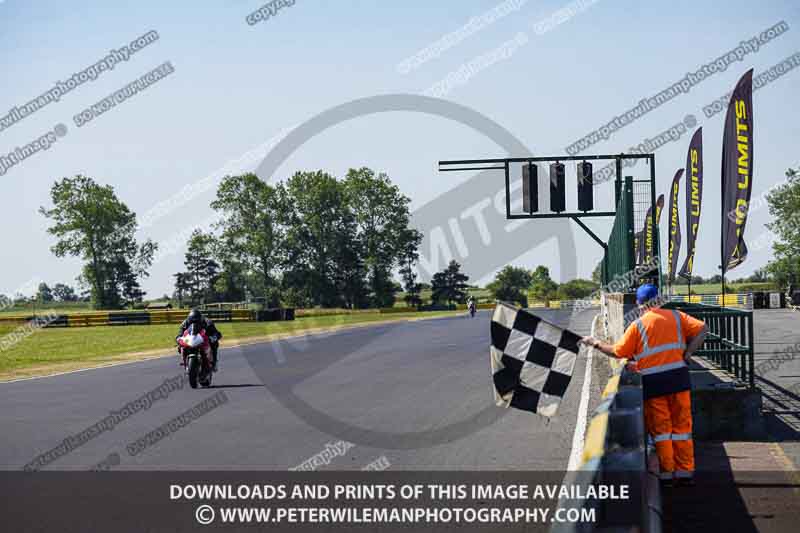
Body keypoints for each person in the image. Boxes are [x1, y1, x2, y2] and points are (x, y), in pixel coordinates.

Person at [579, 283, 708, 487]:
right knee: (682, 427)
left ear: (640, 305)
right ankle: (685, 473)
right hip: (679, 379)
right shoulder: (676, 317)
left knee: (662, 430)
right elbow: (703, 329)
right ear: (658, 300)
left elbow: (617, 352)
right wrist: (688, 353)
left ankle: (667, 474)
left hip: (654, 384)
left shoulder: (638, 326)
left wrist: (594, 343)